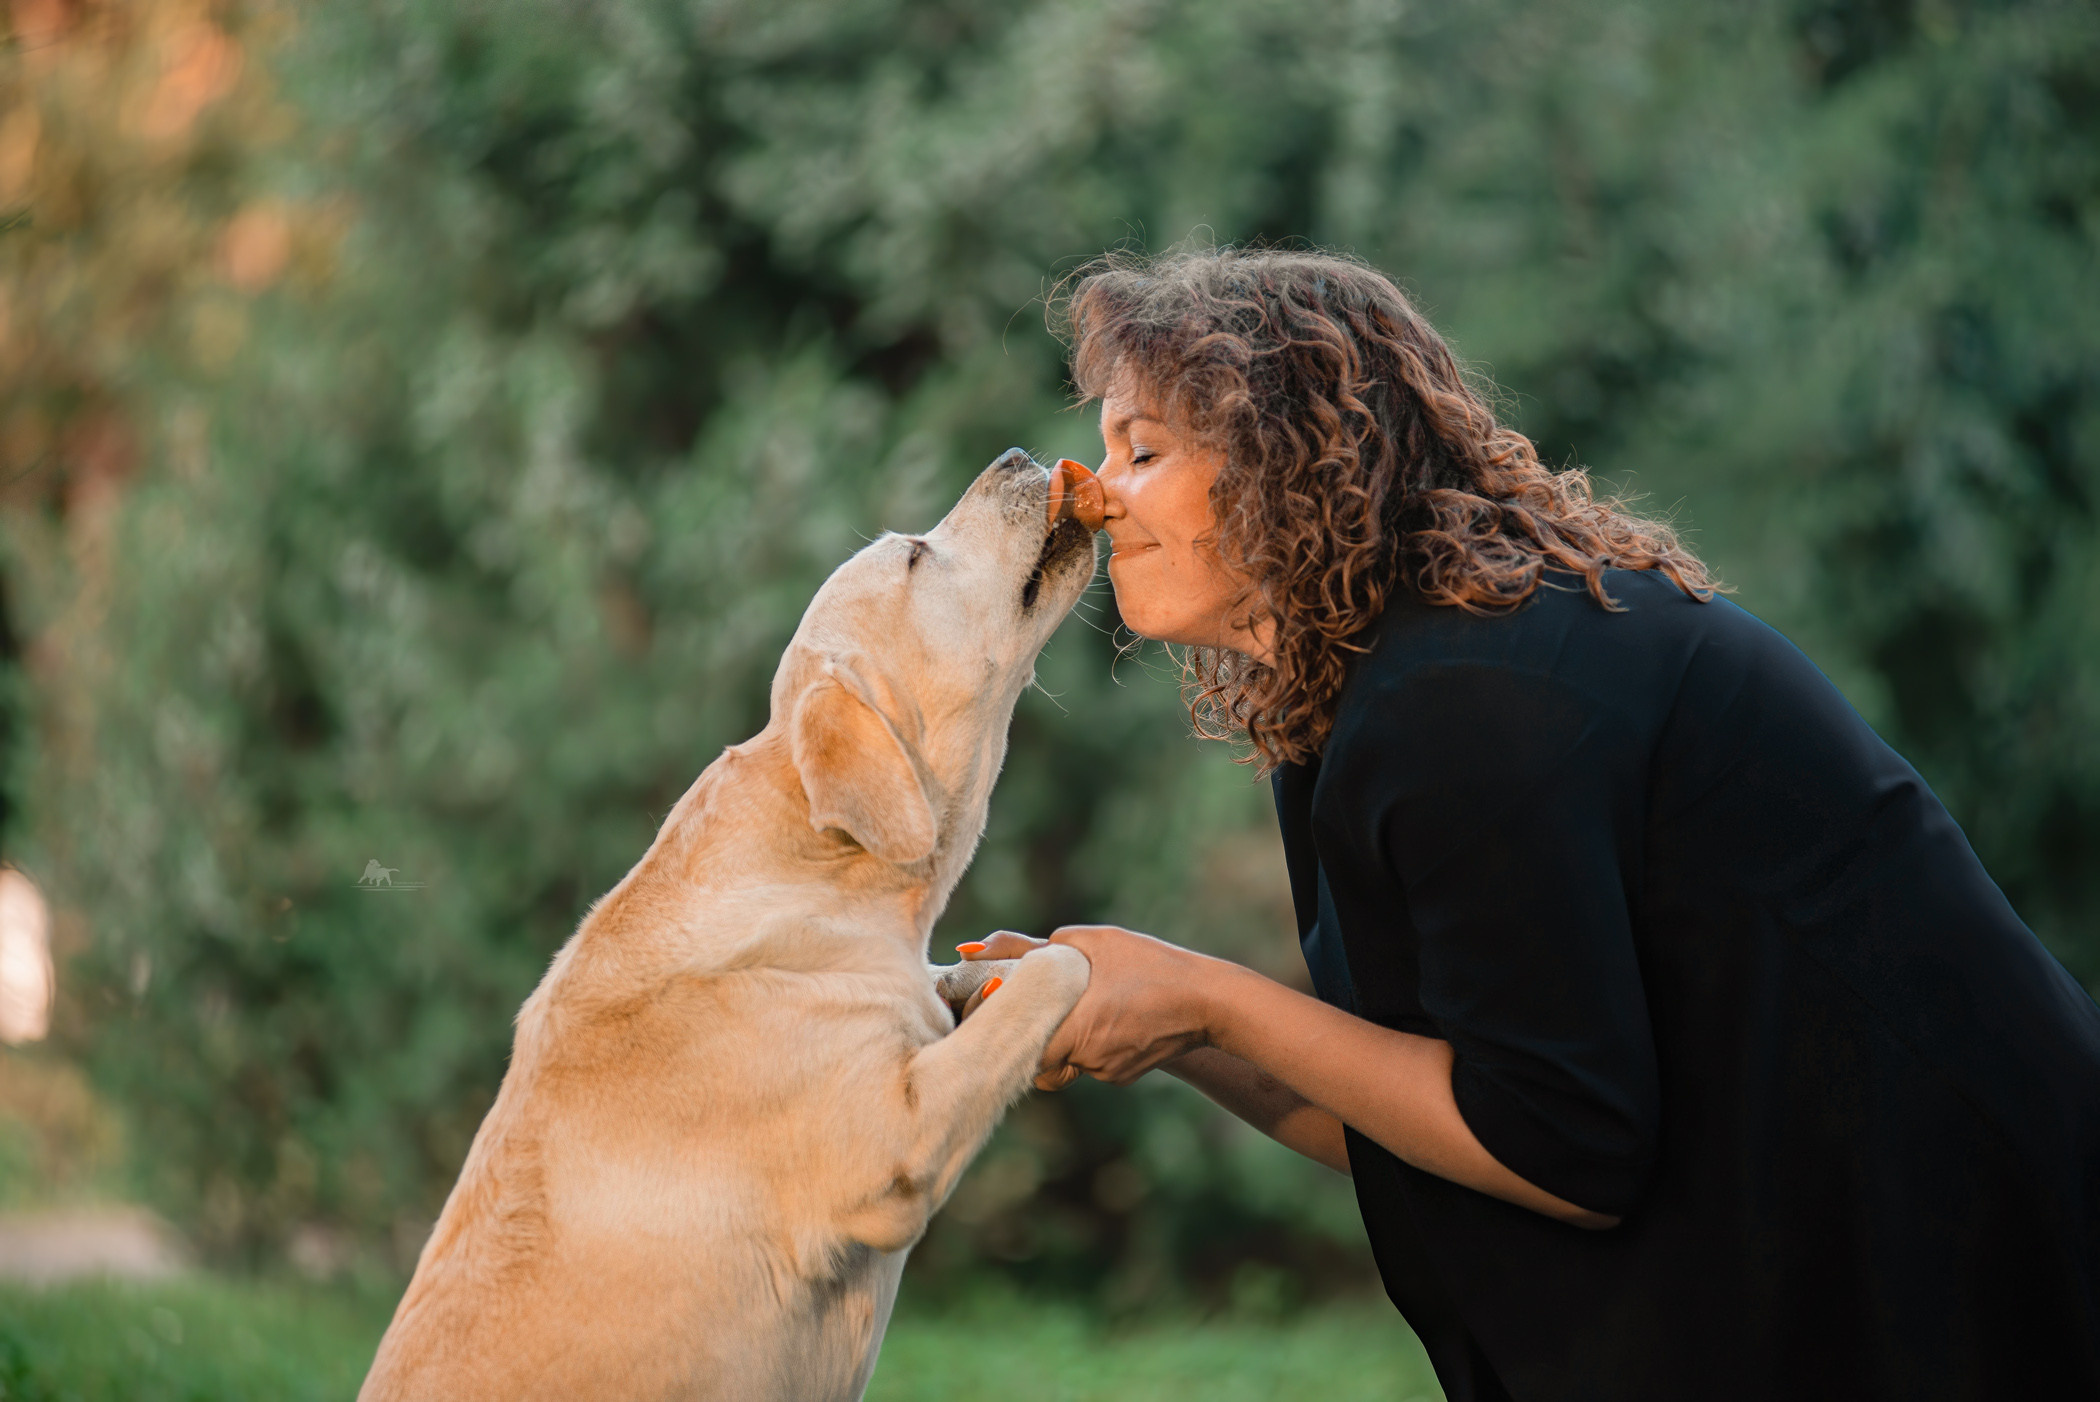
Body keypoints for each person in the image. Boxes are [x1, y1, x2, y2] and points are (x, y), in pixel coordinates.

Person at [958, 247, 2100, 1400]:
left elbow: (1562, 1143)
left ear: (1283, 464)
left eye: (1141, 449)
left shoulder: (1468, 696)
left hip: (1984, 1273)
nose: (1089, 491)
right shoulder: (1366, 698)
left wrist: (1205, 993)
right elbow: (1433, 1120)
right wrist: (1169, 1026)